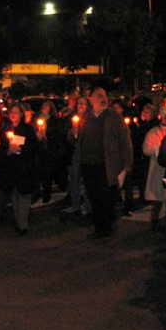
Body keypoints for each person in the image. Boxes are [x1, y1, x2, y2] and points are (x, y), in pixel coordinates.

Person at [73, 87, 132, 239]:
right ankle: (99, 228)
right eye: (99, 96)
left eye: (105, 95)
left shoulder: (113, 116)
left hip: (107, 165)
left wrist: (126, 165)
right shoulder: (85, 116)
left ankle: (106, 227)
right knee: (93, 197)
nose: (103, 98)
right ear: (91, 99)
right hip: (88, 165)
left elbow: (124, 140)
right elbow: (75, 140)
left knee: (107, 198)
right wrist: (73, 133)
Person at [0, 103, 39, 235]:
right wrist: (7, 152)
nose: (13, 114)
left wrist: (20, 150)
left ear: (21, 114)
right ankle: (18, 220)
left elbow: (34, 148)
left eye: (16, 112)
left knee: (24, 196)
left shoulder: (27, 129)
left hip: (24, 168)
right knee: (14, 196)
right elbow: (0, 149)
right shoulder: (5, 129)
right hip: (10, 169)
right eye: (11, 112)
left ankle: (23, 224)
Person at [143, 106, 166, 229]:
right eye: (164, 116)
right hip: (157, 167)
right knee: (157, 197)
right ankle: (154, 220)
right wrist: (159, 149)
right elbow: (146, 149)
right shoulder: (153, 132)